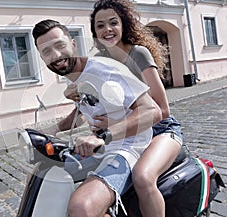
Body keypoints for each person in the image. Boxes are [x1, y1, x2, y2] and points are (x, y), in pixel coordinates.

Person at [64, 0, 183, 217]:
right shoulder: (99, 62)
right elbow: (90, 105)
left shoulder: (138, 54)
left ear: (123, 25)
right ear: (95, 32)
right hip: (126, 136)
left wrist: (116, 124)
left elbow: (162, 110)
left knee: (143, 177)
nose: (107, 29)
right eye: (100, 26)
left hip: (161, 130)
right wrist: (77, 98)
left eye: (113, 23)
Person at [32, 19, 162, 217]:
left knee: (81, 206)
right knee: (41, 175)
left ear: (73, 44)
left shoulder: (105, 70)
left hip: (129, 148)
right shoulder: (76, 77)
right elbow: (82, 114)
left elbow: (152, 111)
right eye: (47, 51)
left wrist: (103, 135)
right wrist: (48, 131)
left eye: (60, 45)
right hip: (101, 149)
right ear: (42, 58)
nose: (56, 55)